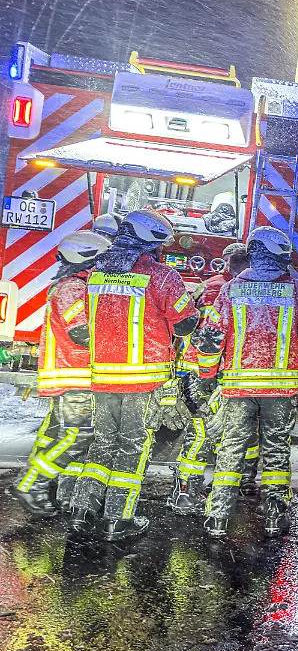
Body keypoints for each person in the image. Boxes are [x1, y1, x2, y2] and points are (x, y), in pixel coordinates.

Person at [68, 209, 198, 542]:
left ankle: (82, 512)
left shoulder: (94, 272)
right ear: (150, 243)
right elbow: (185, 324)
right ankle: (118, 520)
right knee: (132, 447)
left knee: (101, 446)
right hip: (144, 380)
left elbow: (79, 329)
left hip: (102, 377)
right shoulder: (162, 277)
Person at [194, 226, 298, 539]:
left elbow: (212, 338)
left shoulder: (231, 290)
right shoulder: (297, 289)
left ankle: (217, 516)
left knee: (231, 449)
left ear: (254, 252)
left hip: (238, 387)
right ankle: (273, 515)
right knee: (276, 450)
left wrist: (206, 375)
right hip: (280, 389)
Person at [12, 231, 112, 517]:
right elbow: (80, 332)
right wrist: (118, 343)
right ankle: (32, 485)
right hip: (74, 375)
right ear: (86, 258)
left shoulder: (72, 285)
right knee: (78, 436)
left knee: (56, 435)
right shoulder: (72, 288)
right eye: (101, 260)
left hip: (70, 374)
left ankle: (36, 484)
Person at [169, 241, 255, 515]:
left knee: (206, 431)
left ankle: (189, 488)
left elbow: (185, 325)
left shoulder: (209, 286)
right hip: (210, 371)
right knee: (207, 432)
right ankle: (188, 491)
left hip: (197, 369)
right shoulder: (231, 290)